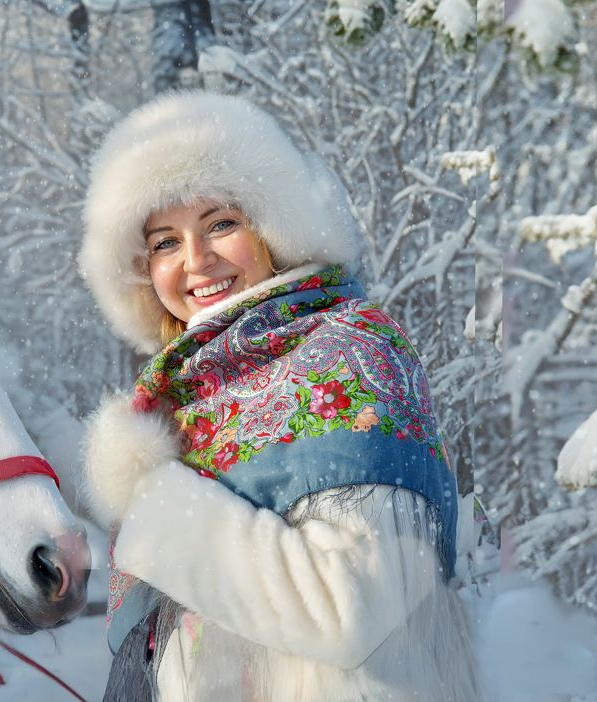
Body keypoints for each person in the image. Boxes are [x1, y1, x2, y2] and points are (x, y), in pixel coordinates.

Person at [76, 91, 478, 701]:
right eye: (164, 242)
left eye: (221, 223)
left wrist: (153, 497)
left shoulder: (348, 353)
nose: (196, 260)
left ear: (274, 225)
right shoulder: (182, 397)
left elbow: (346, 610)